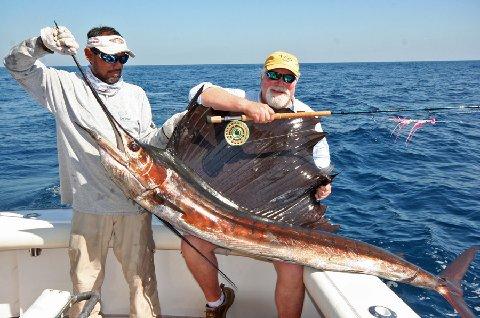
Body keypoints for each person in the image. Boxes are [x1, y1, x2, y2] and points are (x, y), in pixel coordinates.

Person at [4, 25, 165, 317]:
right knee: (84, 290)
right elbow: (15, 65)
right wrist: (41, 43)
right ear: (88, 54)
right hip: (89, 208)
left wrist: (173, 128)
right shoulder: (63, 86)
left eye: (122, 58)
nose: (117, 65)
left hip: (135, 207)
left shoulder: (137, 94)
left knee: (144, 286)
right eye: (108, 57)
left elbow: (148, 142)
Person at [161, 51, 332, 318]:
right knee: (192, 245)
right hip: (231, 210)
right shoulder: (238, 100)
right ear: (262, 77)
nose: (280, 82)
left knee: (291, 267)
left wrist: (322, 186)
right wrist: (246, 107)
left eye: (288, 78)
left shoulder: (308, 116)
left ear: (296, 82)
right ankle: (217, 303)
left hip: (278, 214)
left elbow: (321, 165)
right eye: (273, 74)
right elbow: (200, 91)